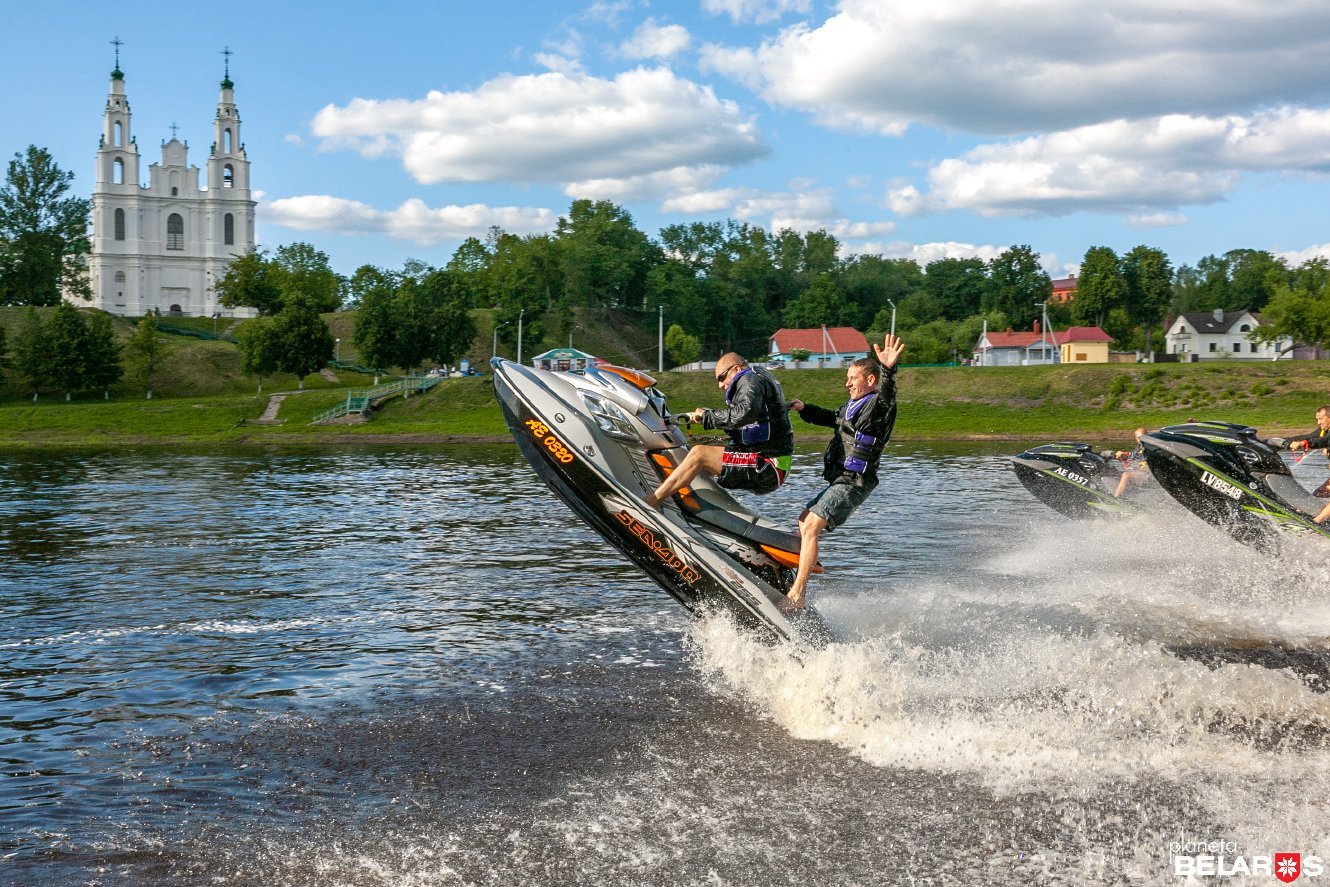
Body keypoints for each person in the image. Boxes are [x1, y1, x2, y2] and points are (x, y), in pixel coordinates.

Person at [781, 333, 905, 613]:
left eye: (852, 378)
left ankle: (797, 594)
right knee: (803, 522)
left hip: (856, 481)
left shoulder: (878, 406)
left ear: (870, 380)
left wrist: (888, 369)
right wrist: (804, 409)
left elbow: (888, 394)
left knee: (812, 525)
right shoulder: (852, 406)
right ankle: (803, 569)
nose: (847, 382)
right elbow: (831, 419)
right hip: (841, 479)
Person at [645, 353, 794, 508]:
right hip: (770, 464)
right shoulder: (755, 379)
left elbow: (745, 414)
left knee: (699, 454)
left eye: (722, 378)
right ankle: (687, 505)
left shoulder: (750, 380)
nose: (720, 385)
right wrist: (707, 415)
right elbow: (748, 420)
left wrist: (708, 416)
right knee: (691, 458)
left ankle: (652, 501)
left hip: (769, 466)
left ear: (736, 369)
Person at [1112, 427, 1151, 498]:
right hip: (1138, 473)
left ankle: (1116, 497)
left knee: (1126, 475)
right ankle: (1120, 493)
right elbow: (1133, 457)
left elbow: (1144, 459)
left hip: (1148, 476)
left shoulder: (1150, 447)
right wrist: (1122, 456)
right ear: (1136, 438)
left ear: (1147, 436)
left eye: (1143, 437)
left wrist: (1126, 455)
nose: (1141, 439)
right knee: (1116, 472)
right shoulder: (1139, 447)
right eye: (1139, 438)